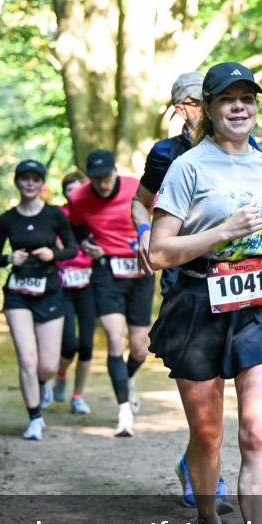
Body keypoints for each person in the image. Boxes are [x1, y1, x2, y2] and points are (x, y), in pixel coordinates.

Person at [148, 62, 262, 524]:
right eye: (228, 99)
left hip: (258, 303)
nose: (240, 107)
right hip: (197, 302)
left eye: (248, 99)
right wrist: (220, 232)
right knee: (208, 436)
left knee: (256, 433)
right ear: (210, 109)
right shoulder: (187, 167)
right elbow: (158, 252)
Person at [134, 71, 253, 511]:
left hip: (234, 279)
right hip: (184, 276)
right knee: (203, 389)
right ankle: (205, 468)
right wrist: (144, 233)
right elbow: (140, 201)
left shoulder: (246, 148)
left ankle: (196, 463)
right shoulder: (167, 154)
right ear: (180, 107)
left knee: (227, 390)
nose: (204, 108)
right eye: (196, 101)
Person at [67, 149, 153, 437]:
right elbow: (76, 228)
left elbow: (162, 217)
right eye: (96, 179)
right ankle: (124, 412)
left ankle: (126, 379)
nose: (102, 184)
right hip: (106, 271)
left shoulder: (136, 188)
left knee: (140, 347)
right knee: (115, 340)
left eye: (106, 177)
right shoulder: (79, 197)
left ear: (116, 172)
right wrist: (86, 245)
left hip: (140, 270)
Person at [0, 159, 77, 440]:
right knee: (27, 358)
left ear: (42, 183)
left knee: (47, 366)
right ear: (17, 182)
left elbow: (72, 250)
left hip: (49, 290)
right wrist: (8, 258)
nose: (30, 183)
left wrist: (54, 254)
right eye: (25, 178)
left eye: (35, 179)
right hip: (18, 293)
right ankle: (35, 418)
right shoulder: (7, 219)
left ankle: (42, 382)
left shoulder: (55, 215)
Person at [51, 171, 95, 415]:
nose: (74, 194)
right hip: (63, 286)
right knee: (69, 345)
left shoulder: (94, 214)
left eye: (78, 189)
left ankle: (78, 396)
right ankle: (60, 374)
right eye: (69, 190)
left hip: (88, 286)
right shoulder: (58, 215)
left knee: (86, 346)